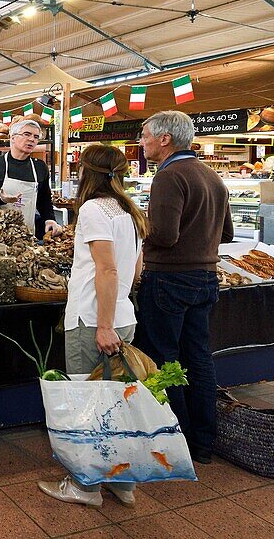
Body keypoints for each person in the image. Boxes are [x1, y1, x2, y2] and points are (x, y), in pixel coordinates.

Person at [38, 144, 147, 508]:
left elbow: (108, 269)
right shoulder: (130, 211)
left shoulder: (92, 209)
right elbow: (135, 271)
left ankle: (85, 486)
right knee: (118, 403)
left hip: (92, 321)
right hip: (124, 317)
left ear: (89, 173)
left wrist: (102, 325)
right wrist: (116, 312)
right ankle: (122, 482)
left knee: (88, 403)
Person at [138, 110, 233, 465]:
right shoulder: (212, 176)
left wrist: (137, 227)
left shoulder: (169, 176)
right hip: (206, 279)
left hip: (169, 279)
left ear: (165, 139)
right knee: (198, 358)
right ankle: (203, 441)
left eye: (146, 136)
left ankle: (174, 439)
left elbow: (164, 235)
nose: (142, 143)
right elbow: (227, 234)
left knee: (164, 359)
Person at [0, 119, 62, 238]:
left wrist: (50, 219)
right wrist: (0, 199)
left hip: (24, 236)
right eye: (27, 134)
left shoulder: (40, 167)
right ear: (12, 138)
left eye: (36, 137)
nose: (32, 139)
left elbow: (44, 200)